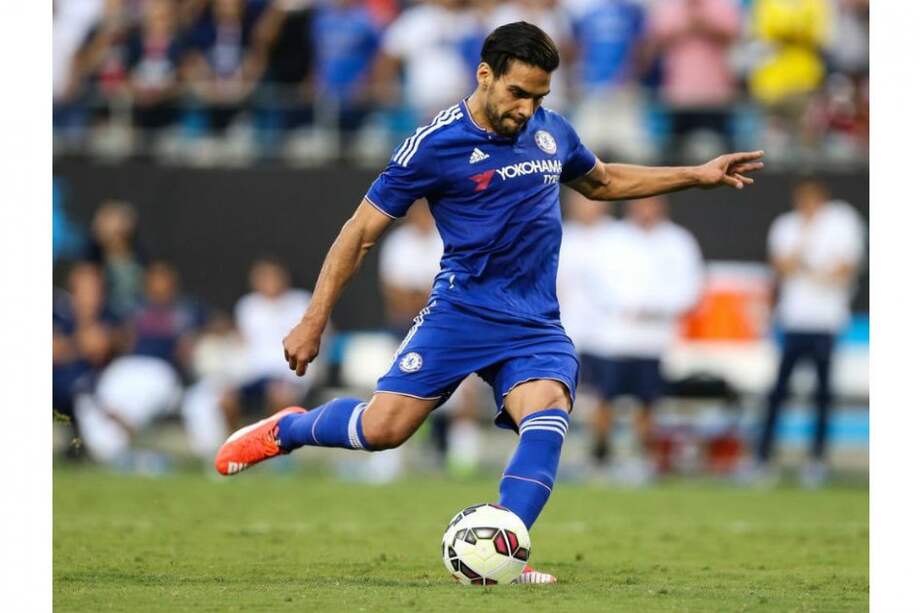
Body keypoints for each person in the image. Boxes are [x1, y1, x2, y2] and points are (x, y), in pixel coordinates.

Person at [215, 21, 764, 583]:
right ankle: (289, 430)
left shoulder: (553, 132)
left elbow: (601, 182)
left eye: (539, 96)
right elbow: (359, 232)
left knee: (548, 409)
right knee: (383, 431)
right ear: (486, 74)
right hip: (462, 313)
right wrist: (313, 320)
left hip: (533, 322)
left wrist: (695, 175)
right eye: (517, 93)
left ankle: (504, 548)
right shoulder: (434, 144)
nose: (527, 108)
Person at [560, 193, 703, 481]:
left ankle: (642, 459)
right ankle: (600, 457)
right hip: (612, 337)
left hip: (653, 339)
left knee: (648, 403)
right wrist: (624, 306)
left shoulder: (678, 241)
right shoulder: (610, 238)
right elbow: (596, 282)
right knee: (603, 399)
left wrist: (655, 308)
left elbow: (690, 286)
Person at [755, 178, 865, 488]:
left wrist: (808, 267)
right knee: (778, 393)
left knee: (822, 395)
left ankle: (816, 459)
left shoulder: (842, 222)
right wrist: (810, 257)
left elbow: (844, 270)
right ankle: (763, 457)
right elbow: (782, 265)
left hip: (826, 322)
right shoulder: (787, 226)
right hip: (793, 320)